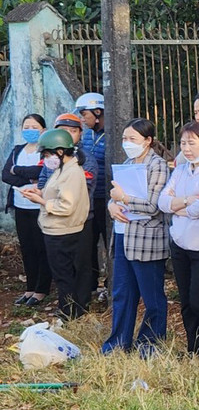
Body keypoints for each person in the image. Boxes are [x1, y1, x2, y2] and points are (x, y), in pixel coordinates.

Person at [101, 118, 170, 356]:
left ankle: (150, 344)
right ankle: (117, 344)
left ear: (148, 140)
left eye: (132, 139)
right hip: (123, 235)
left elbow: (154, 205)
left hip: (146, 240)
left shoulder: (158, 165)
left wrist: (124, 198)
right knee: (122, 293)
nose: (127, 143)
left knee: (152, 296)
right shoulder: (128, 163)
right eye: (124, 139)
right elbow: (116, 196)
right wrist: (112, 205)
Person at [158, 122, 199, 354]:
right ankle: (194, 347)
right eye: (183, 143)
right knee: (185, 301)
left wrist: (181, 204)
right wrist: (186, 201)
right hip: (180, 245)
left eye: (192, 143)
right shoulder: (181, 169)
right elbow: (163, 203)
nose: (186, 148)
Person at [20, 129, 90, 319]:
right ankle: (69, 312)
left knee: (64, 276)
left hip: (63, 231)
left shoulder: (72, 172)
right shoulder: (61, 169)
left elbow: (66, 206)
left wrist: (41, 202)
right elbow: (56, 194)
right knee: (63, 275)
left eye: (47, 154)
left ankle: (69, 315)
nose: (45, 158)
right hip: (55, 229)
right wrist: (39, 194)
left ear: (60, 151)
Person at [2, 114, 50, 307]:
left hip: (39, 206)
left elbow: (41, 173)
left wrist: (18, 170)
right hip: (20, 206)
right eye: (26, 126)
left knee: (41, 248)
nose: (29, 130)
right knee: (27, 248)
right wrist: (27, 179)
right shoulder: (17, 150)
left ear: (43, 130)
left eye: (34, 126)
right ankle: (30, 288)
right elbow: (6, 174)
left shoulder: (46, 151)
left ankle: (42, 289)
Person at [75, 92, 108, 297]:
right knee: (88, 242)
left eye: (84, 113)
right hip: (88, 196)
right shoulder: (87, 135)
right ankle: (90, 285)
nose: (82, 118)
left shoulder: (112, 132)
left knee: (108, 239)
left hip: (106, 197)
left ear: (97, 112)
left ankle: (110, 284)